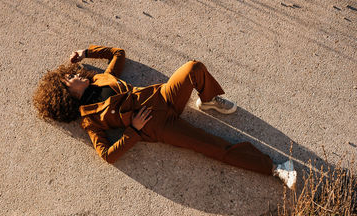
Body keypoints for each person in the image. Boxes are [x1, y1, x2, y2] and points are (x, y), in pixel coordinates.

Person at [33, 44, 297, 189]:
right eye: (70, 78)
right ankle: (274, 169)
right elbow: (107, 155)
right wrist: (134, 131)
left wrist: (87, 52)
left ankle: (207, 102)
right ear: (66, 95)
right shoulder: (90, 119)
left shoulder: (100, 77)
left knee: (193, 68)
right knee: (212, 145)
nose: (76, 73)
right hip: (160, 126)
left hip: (163, 96)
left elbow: (118, 54)